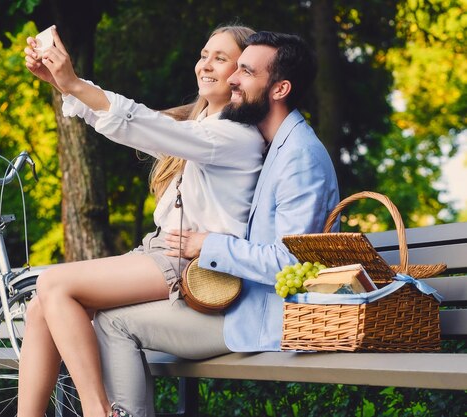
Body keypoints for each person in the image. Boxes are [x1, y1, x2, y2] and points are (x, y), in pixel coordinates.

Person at [20, 24, 267, 417]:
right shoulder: (198, 127)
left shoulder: (235, 136)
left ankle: (97, 410)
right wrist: (65, 84)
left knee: (53, 283)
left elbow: (140, 122)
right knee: (39, 306)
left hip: (192, 263)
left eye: (220, 58)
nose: (206, 65)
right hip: (160, 250)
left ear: (240, 74)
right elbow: (137, 126)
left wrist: (73, 83)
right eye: (204, 55)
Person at [94, 31, 340, 416]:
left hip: (260, 318)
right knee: (107, 318)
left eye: (245, 71)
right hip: (237, 302)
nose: (234, 80)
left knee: (113, 324)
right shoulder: (275, 144)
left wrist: (206, 245)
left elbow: (289, 264)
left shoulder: (300, 157)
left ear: (280, 89)